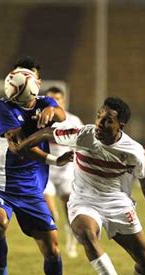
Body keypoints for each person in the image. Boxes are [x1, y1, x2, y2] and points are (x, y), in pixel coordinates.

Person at [12, 97, 145, 275]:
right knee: (86, 234)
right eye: (99, 117)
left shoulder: (134, 151)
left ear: (120, 126)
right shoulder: (84, 135)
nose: (99, 124)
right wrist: (22, 145)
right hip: (84, 200)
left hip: (117, 202)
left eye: (107, 121)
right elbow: (48, 133)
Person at [0, 57, 74, 275]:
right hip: (0, 183)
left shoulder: (45, 102)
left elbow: (62, 114)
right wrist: (54, 159)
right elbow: (20, 148)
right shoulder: (2, 107)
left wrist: (53, 112)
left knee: (52, 249)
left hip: (32, 189)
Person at [43, 86, 83, 258]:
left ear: (63, 100)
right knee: (51, 213)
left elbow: (83, 144)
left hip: (66, 172)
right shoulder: (41, 119)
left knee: (69, 208)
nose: (55, 102)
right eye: (51, 99)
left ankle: (72, 239)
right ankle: (53, 247)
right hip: (46, 171)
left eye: (58, 99)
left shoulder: (73, 121)